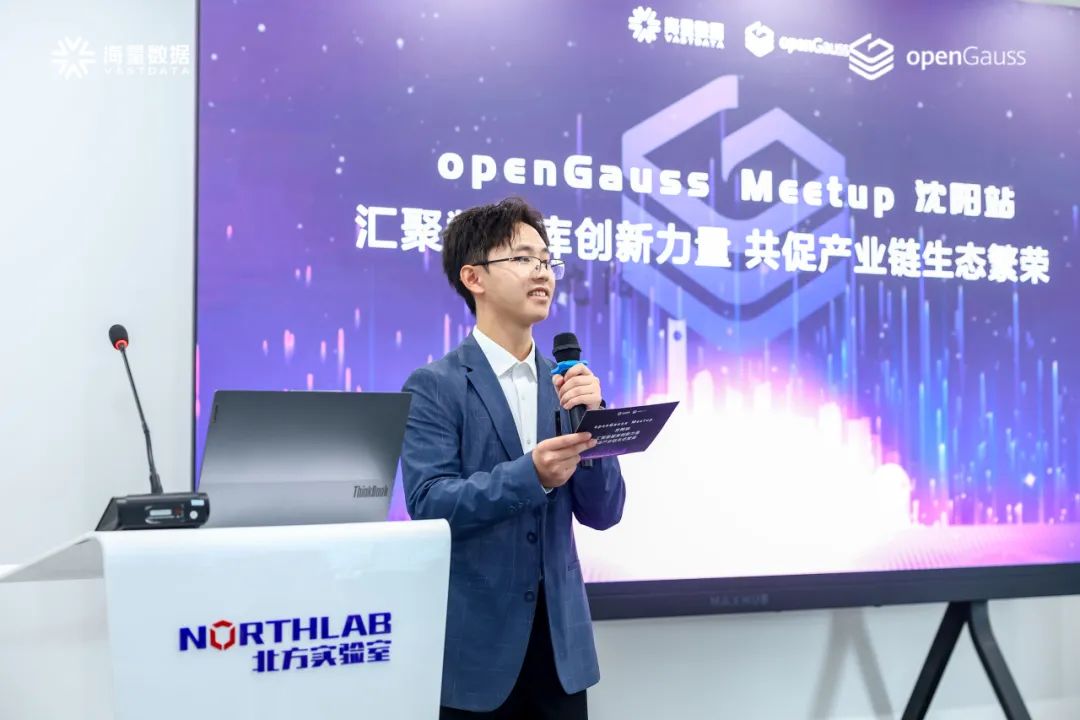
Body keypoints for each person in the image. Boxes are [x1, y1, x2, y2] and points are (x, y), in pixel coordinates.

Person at [399, 196, 626, 719]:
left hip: (561, 655)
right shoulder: (436, 385)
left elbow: (605, 511)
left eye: (546, 260)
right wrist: (533, 475)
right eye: (523, 258)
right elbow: (430, 504)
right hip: (476, 656)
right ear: (473, 277)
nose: (542, 272)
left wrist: (595, 419)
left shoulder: (569, 383)